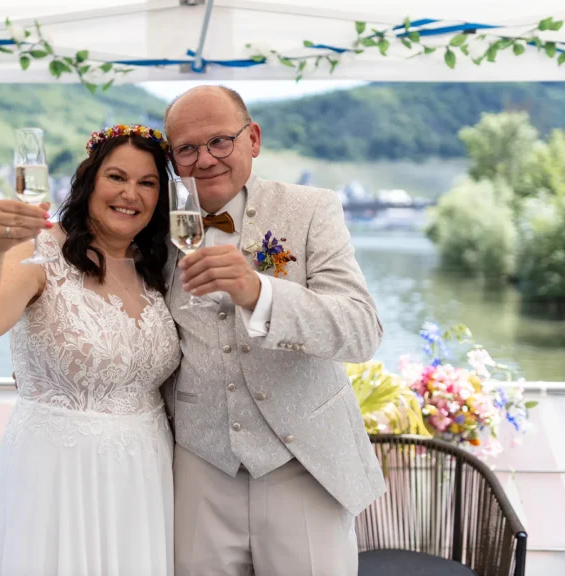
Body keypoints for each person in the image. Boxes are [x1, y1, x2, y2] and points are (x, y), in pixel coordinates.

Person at [161, 85, 386, 575]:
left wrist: (259, 293)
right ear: (173, 159)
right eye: (187, 149)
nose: (204, 160)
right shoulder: (155, 227)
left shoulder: (311, 209)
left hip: (304, 466)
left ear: (253, 139)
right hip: (199, 466)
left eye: (220, 141)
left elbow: (361, 330)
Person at [0, 124, 180, 575]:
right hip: (56, 475)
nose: (130, 193)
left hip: (146, 475)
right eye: (116, 177)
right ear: (88, 182)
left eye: (147, 182)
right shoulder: (39, 254)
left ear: (160, 199)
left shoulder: (158, 269)